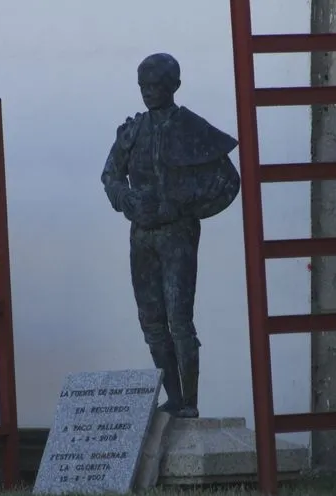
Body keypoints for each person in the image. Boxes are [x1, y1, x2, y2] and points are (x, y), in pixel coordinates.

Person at [101, 52, 240, 418]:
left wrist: (183, 208)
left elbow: (228, 183)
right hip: (142, 235)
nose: (148, 93)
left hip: (176, 234)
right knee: (151, 321)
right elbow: (110, 175)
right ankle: (174, 397)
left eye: (156, 86)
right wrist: (125, 197)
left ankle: (189, 402)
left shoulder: (191, 128)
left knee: (179, 320)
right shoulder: (132, 131)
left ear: (173, 87)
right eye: (143, 87)